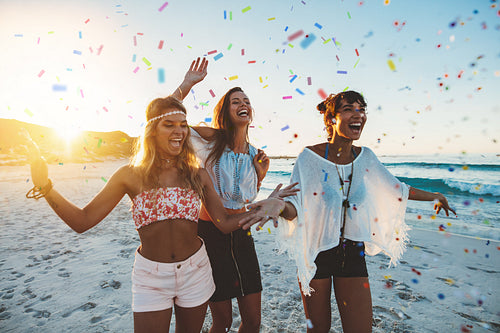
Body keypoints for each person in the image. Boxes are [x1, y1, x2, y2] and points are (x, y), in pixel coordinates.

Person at [22, 96, 283, 333]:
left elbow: (225, 223)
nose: (179, 131)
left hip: (196, 271)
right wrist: (45, 187)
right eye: (169, 124)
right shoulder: (130, 175)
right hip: (151, 276)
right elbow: (82, 220)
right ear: (152, 131)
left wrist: (263, 207)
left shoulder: (197, 175)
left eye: (183, 125)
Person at [245, 91, 456, 333]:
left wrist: (436, 195)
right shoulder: (309, 158)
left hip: (353, 254)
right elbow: (296, 208)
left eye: (361, 109)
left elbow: (397, 189)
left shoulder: (365, 157)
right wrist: (280, 206)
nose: (358, 114)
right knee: (317, 330)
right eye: (348, 109)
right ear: (331, 119)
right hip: (318, 255)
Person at [170, 58, 273, 333]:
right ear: (226, 111)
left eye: (247, 101)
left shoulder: (256, 154)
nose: (243, 105)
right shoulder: (210, 140)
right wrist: (187, 84)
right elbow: (167, 118)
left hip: (243, 235)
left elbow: (244, 199)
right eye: (236, 101)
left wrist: (260, 176)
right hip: (210, 236)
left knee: (252, 322)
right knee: (223, 322)